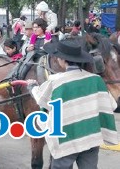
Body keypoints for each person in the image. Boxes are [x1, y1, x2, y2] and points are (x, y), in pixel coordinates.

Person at [26, 40, 118, 168]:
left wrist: (32, 86)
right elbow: (110, 105)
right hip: (90, 138)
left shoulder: (56, 82)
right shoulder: (96, 80)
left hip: (66, 141)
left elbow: (41, 98)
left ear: (62, 60)